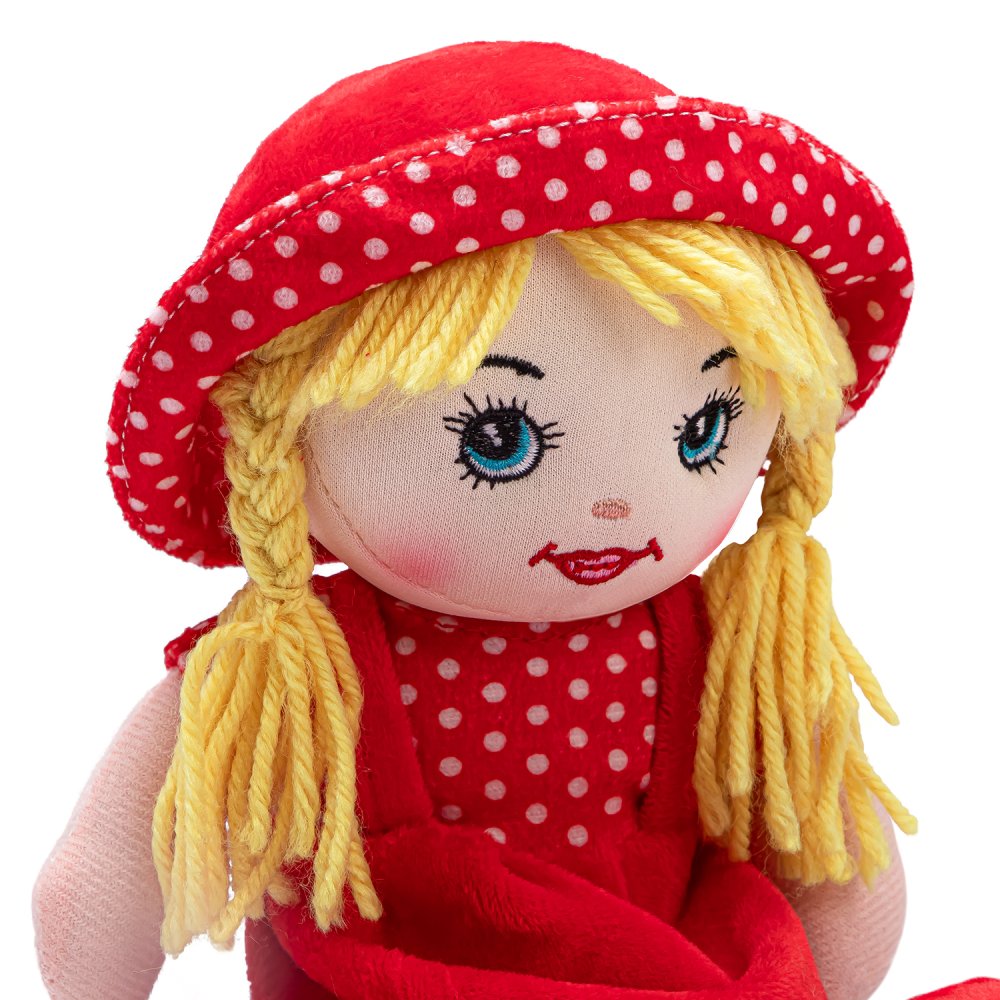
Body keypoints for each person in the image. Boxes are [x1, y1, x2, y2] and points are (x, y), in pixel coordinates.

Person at [36, 38, 996, 1000]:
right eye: (498, 437)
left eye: (703, 430)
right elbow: (106, 878)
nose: (616, 505)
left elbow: (833, 856)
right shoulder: (295, 674)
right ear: (275, 446)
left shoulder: (729, 647)